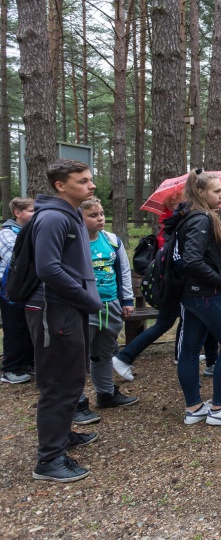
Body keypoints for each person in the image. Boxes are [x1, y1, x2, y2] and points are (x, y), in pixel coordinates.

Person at [27, 158, 102, 482]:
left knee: (71, 378)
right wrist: (87, 299)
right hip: (53, 309)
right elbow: (48, 268)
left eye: (90, 179)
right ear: (61, 185)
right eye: (83, 180)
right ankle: (49, 459)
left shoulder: (70, 214)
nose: (91, 185)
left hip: (69, 309)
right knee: (58, 384)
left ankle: (62, 435)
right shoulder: (53, 218)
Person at [111, 191, 217, 381]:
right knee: (165, 323)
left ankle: (182, 356)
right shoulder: (171, 226)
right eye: (182, 203)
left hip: (173, 285)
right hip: (174, 286)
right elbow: (175, 258)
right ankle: (124, 357)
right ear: (174, 205)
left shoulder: (171, 223)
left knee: (176, 322)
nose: (186, 205)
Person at [176, 169, 221, 426]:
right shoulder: (200, 219)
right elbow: (192, 260)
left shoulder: (193, 216)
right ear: (199, 192)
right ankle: (219, 408)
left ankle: (195, 407)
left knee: (189, 350)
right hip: (207, 294)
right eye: (217, 192)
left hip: (194, 295)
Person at [78, 198, 139, 417]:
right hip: (85, 308)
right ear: (80, 217)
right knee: (78, 356)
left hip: (111, 305)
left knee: (103, 353)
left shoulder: (112, 241)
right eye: (93, 215)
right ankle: (76, 402)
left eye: (102, 213)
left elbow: (123, 271)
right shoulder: (75, 242)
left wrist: (127, 301)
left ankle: (105, 394)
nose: (100, 218)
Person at [0, 197, 36, 384]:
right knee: (14, 329)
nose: (35, 214)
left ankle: (28, 362)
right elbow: (18, 259)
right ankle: (10, 369)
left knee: (29, 327)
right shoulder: (7, 233)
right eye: (31, 211)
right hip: (10, 291)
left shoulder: (28, 231)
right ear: (18, 213)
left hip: (28, 289)